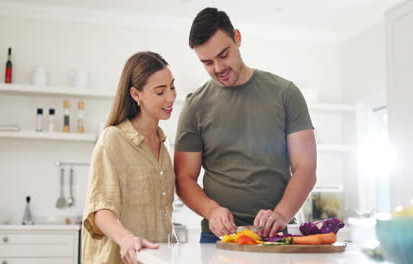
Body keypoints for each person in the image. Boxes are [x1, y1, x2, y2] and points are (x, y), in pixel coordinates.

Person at [174, 7, 317, 243]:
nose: (218, 68)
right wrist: (211, 211)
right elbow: (184, 178)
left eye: (224, 55)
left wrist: (281, 214)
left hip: (276, 235)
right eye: (207, 62)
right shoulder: (195, 106)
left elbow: (306, 168)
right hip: (217, 238)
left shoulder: (285, 94)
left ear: (238, 38)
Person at [82, 51, 177, 264]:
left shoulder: (163, 144)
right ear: (136, 95)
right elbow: (100, 209)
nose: (171, 97)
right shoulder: (113, 139)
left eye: (172, 87)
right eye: (160, 92)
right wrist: (126, 239)